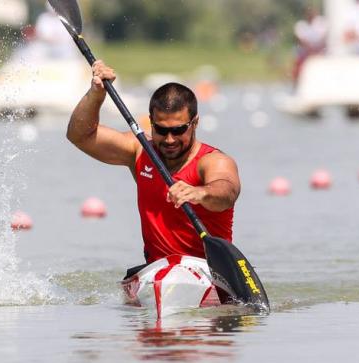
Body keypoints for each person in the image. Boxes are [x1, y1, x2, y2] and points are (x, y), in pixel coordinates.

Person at [66, 61, 240, 275]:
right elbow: (79, 135)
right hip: (157, 272)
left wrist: (200, 192)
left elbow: (227, 191)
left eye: (178, 130)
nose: (169, 139)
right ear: (150, 122)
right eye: (160, 129)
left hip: (209, 273)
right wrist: (96, 94)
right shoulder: (140, 151)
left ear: (195, 123)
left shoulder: (213, 161)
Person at [292, 7, 328, 84]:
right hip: (306, 51)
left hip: (320, 50)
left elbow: (324, 39)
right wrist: (311, 50)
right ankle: (296, 80)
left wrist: (317, 50)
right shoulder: (301, 25)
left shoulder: (320, 23)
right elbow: (302, 42)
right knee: (298, 60)